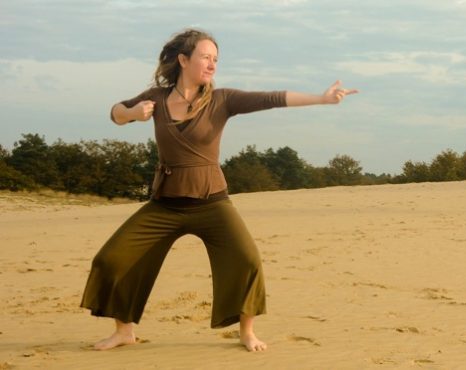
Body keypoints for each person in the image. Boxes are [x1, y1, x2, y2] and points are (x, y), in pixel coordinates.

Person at [80, 28, 358, 352]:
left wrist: (321, 99)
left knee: (247, 259)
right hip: (165, 205)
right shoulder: (156, 98)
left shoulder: (222, 100)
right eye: (205, 57)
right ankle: (124, 331)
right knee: (111, 258)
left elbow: (270, 99)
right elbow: (116, 112)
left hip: (212, 203)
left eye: (216, 59)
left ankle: (247, 332)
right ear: (183, 59)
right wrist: (131, 113)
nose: (212, 64)